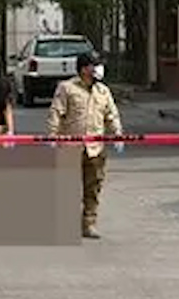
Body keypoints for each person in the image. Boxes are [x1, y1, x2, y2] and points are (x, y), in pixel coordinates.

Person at [46, 50, 123, 240]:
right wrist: (52, 136)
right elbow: (56, 112)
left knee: (93, 187)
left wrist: (118, 134)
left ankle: (89, 223)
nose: (99, 69)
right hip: (71, 147)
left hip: (96, 149)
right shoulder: (67, 88)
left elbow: (111, 114)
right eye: (94, 65)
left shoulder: (103, 91)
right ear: (83, 68)